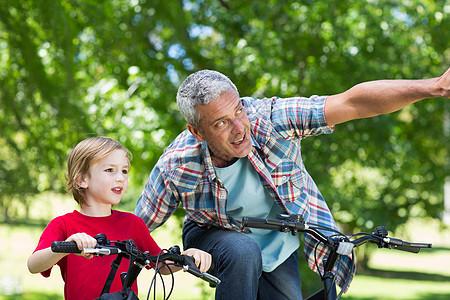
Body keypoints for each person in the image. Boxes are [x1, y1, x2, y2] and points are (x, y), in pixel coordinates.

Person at [135, 68, 450, 299]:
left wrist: (435, 86)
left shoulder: (270, 119)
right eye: (221, 123)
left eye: (238, 111)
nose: (239, 128)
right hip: (214, 236)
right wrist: (158, 261)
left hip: (277, 241)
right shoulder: (177, 165)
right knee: (243, 250)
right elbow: (133, 229)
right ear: (197, 132)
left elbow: (353, 103)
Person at [27, 137, 212, 300]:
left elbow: (161, 264)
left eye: (124, 171)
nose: (121, 178)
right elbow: (34, 265)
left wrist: (188, 256)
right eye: (110, 170)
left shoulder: (132, 224)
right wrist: (67, 246)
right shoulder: (64, 225)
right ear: (82, 179)